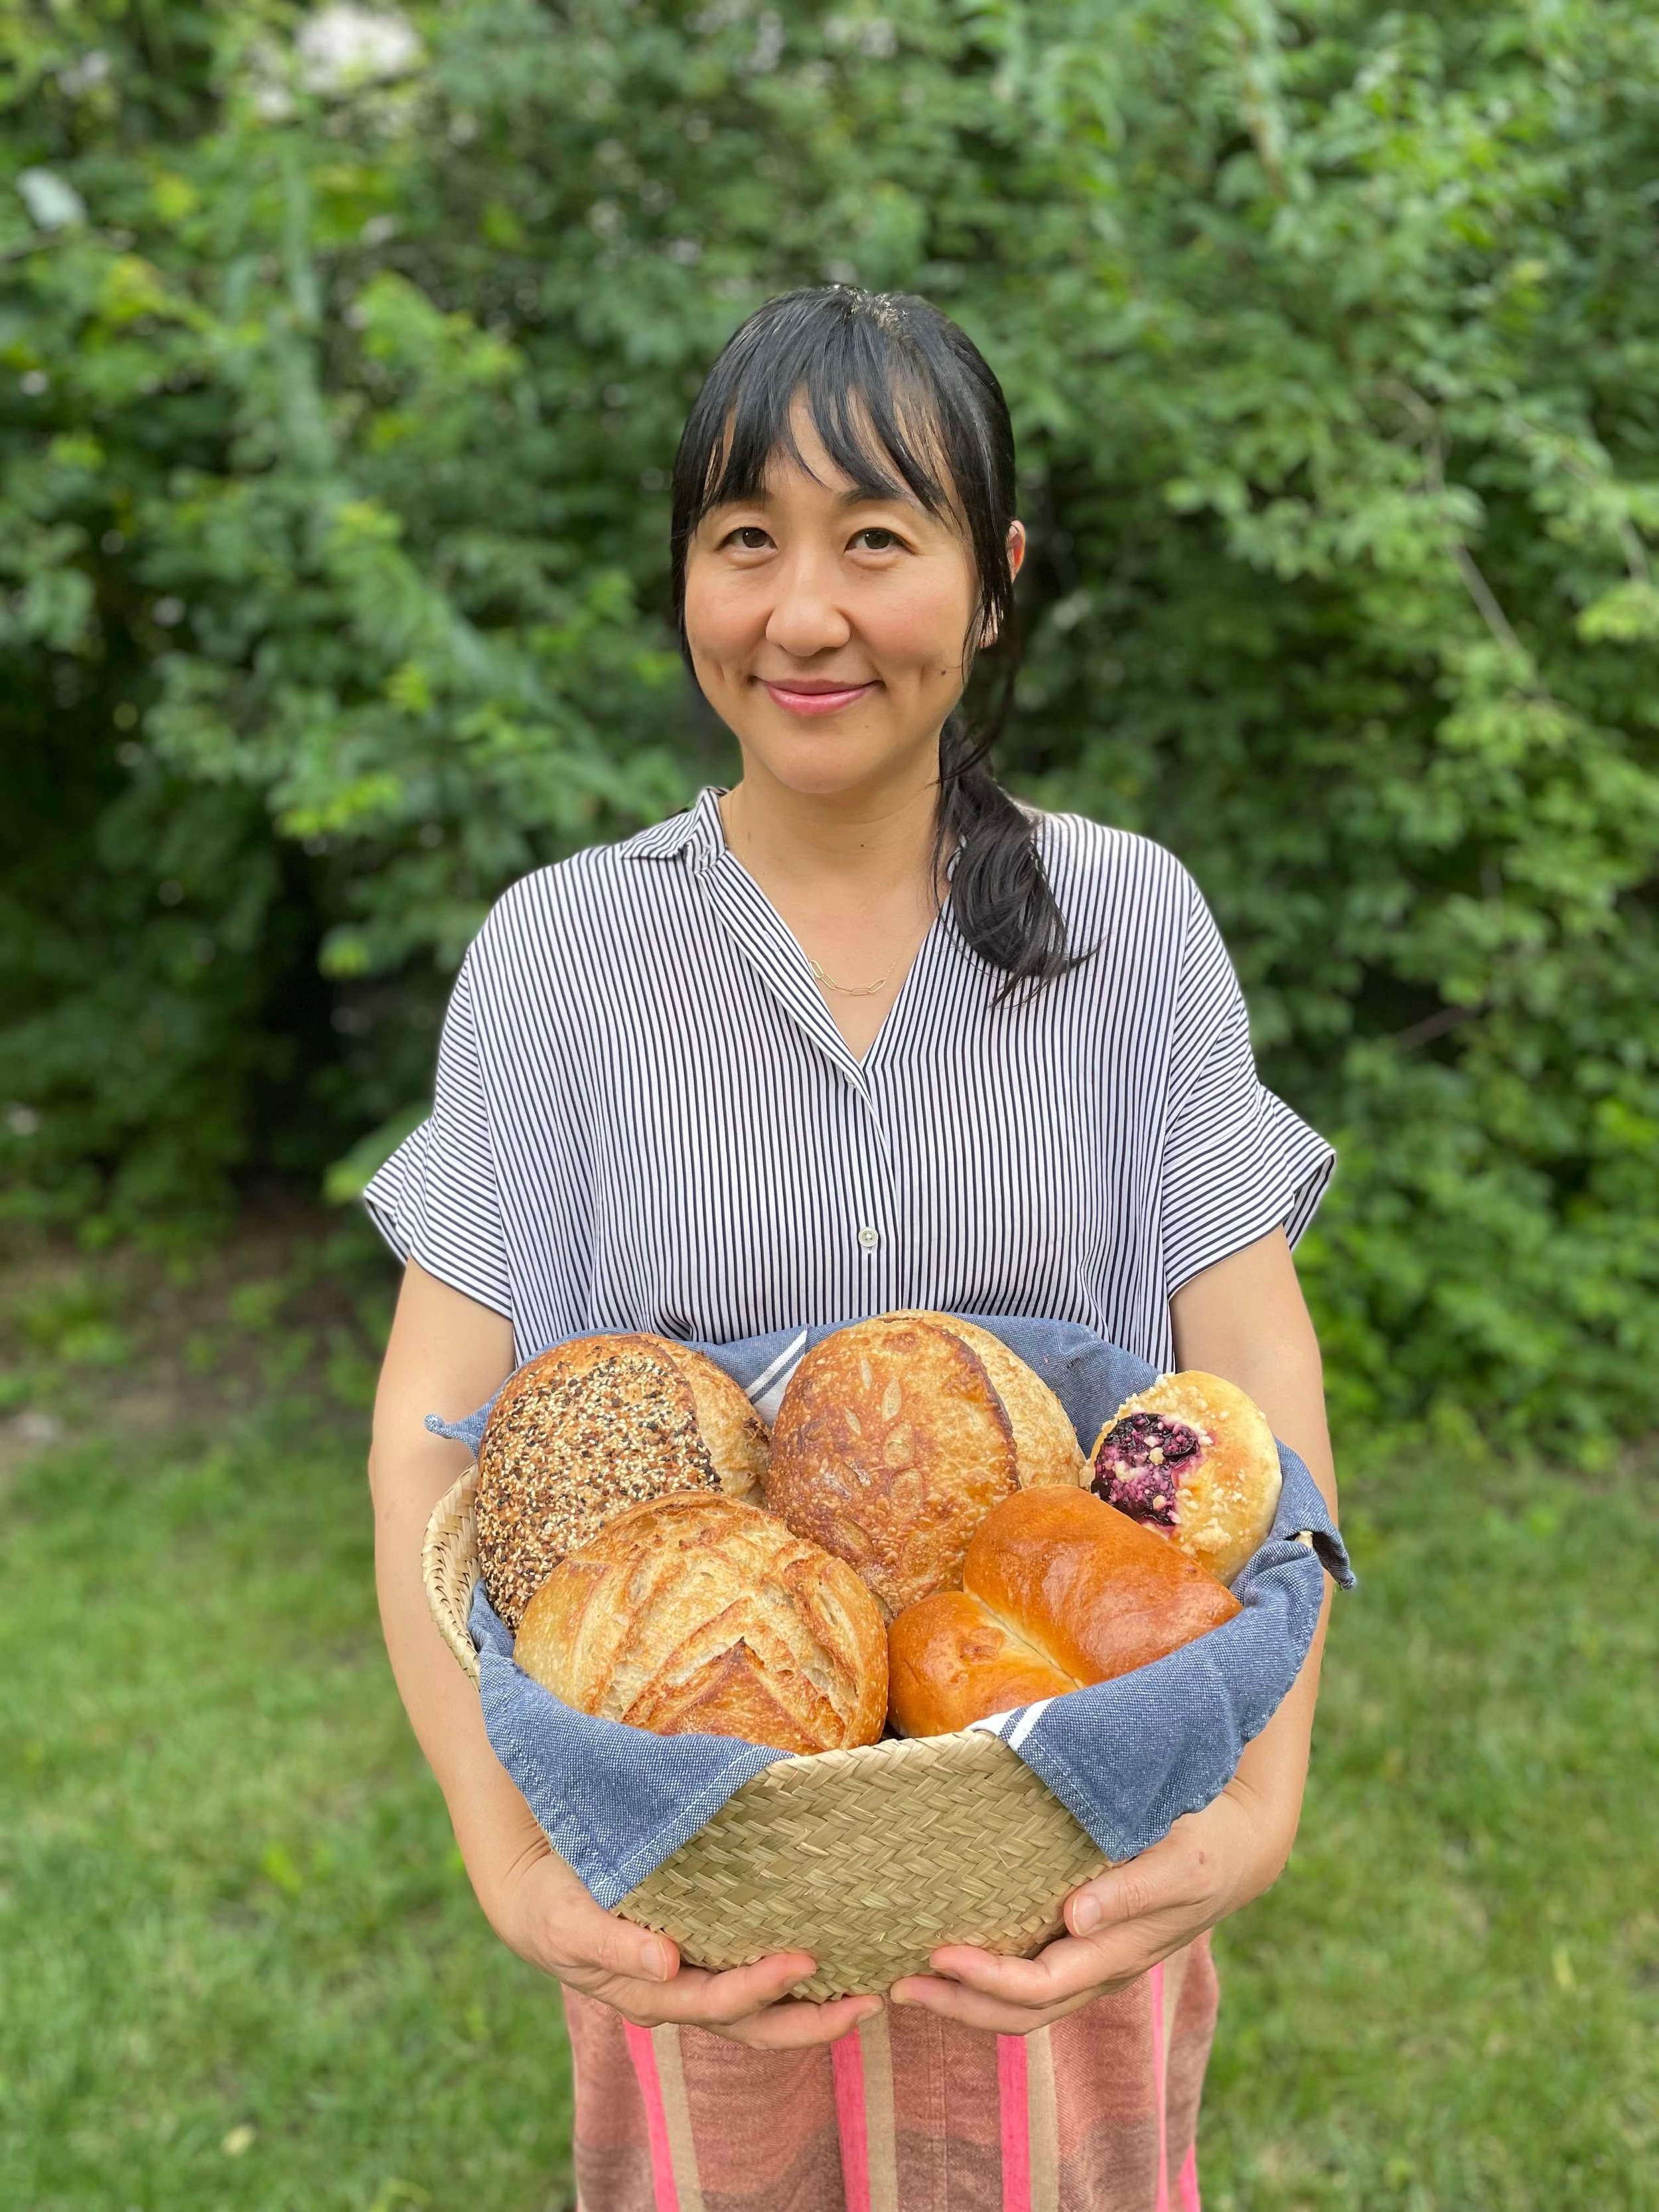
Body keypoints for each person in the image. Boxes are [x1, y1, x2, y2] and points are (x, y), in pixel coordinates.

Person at [366, 285, 1338, 2212]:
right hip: (706, 1898)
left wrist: (1255, 1803)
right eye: (745, 543)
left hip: (1071, 1859)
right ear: (684, 585)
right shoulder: (560, 955)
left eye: (874, 541)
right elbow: (432, 1442)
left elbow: (1251, 1386)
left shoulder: (1127, 922)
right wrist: (512, 1851)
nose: (800, 614)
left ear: (993, 584)